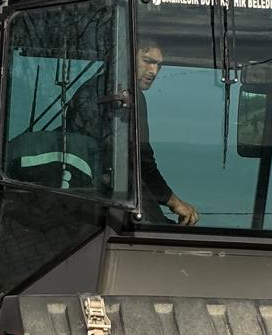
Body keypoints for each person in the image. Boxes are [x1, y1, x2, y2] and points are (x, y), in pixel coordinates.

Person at [69, 39, 198, 225]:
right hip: (102, 201)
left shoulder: (96, 88)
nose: (154, 71)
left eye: (159, 65)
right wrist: (174, 202)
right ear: (126, 59)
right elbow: (139, 160)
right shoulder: (123, 96)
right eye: (148, 61)